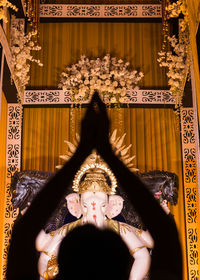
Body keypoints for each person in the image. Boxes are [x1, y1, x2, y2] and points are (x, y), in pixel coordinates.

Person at [7, 92, 182, 280]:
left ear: (113, 205)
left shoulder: (117, 228)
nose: (92, 208)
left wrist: (28, 216)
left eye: (99, 203)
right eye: (87, 203)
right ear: (75, 204)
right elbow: (163, 241)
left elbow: (28, 243)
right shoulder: (103, 229)